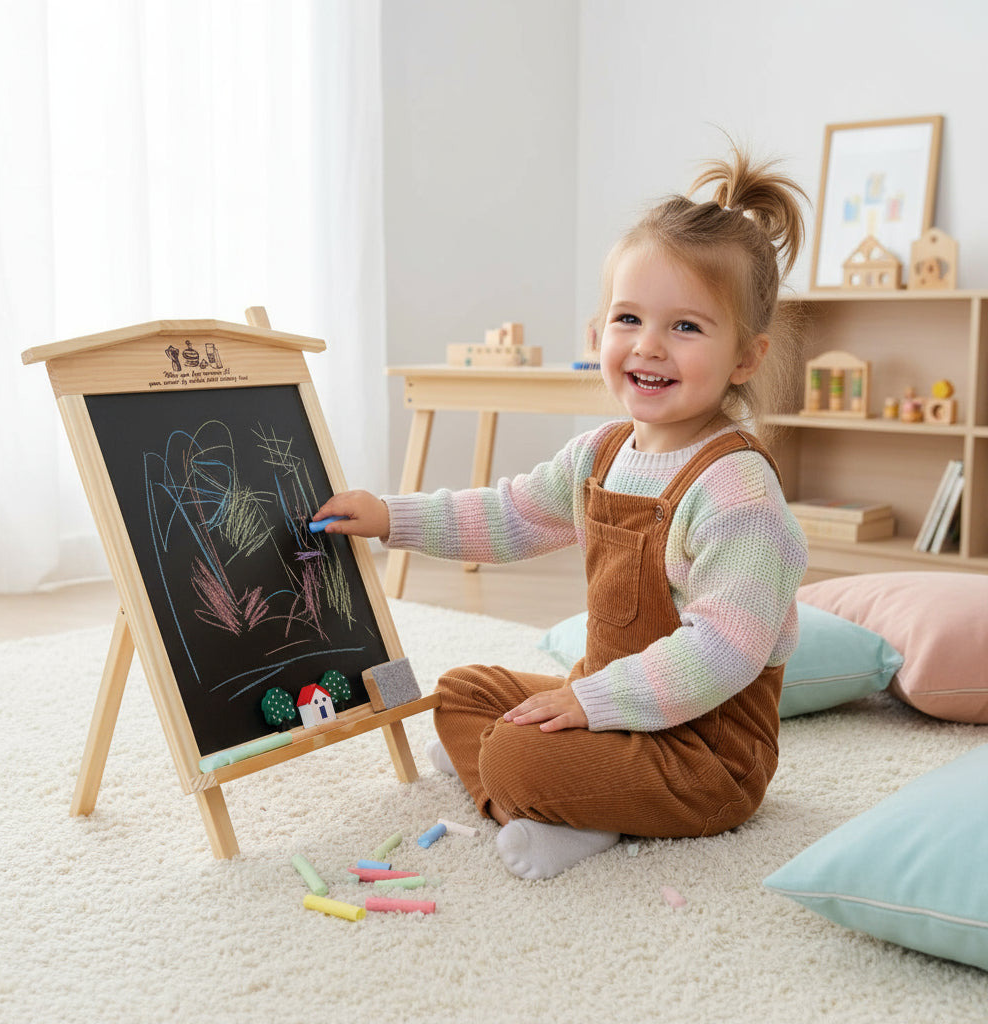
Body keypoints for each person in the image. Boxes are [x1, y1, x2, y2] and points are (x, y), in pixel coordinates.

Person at [312, 144, 809, 879]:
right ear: (596, 334)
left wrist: (589, 702)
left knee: (514, 752)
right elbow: (509, 515)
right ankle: (556, 800)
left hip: (705, 755)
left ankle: (559, 807)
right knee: (458, 695)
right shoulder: (601, 453)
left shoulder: (740, 494)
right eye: (629, 318)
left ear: (745, 357)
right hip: (608, 705)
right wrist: (390, 517)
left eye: (687, 328)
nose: (648, 345)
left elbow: (722, 654)